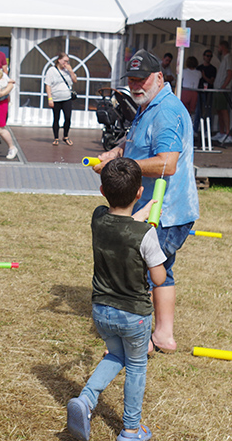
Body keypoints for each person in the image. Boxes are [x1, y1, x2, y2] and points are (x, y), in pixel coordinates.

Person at [93, 49, 200, 356]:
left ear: (159, 77)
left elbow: (167, 162)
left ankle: (139, 343)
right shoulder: (149, 104)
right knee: (162, 268)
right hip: (154, 207)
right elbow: (137, 140)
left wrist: (121, 168)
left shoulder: (167, 111)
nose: (136, 85)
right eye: (132, 79)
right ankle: (164, 336)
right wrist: (116, 152)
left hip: (164, 211)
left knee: (140, 272)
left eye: (142, 79)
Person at [66, 157, 167, 441]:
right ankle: (131, 430)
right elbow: (159, 279)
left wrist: (144, 213)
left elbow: (120, 222)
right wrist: (152, 237)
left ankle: (86, 399)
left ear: (102, 190)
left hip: (101, 311)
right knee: (135, 366)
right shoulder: (146, 233)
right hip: (133, 314)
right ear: (139, 192)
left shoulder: (98, 217)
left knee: (116, 355)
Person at [44, 52, 78, 146]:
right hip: (56, 98)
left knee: (67, 117)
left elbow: (75, 80)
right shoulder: (51, 70)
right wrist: (50, 98)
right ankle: (56, 137)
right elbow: (48, 85)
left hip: (66, 97)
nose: (66, 63)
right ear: (59, 60)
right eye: (65, 61)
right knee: (56, 118)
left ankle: (66, 136)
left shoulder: (67, 70)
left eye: (67, 61)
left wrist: (71, 71)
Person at [211, 40, 232, 144]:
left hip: (222, 89)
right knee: (219, 110)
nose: (218, 49)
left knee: (223, 110)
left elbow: (230, 74)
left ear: (223, 47)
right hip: (218, 88)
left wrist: (223, 87)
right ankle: (221, 132)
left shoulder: (228, 58)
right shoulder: (224, 58)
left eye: (219, 47)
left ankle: (227, 133)